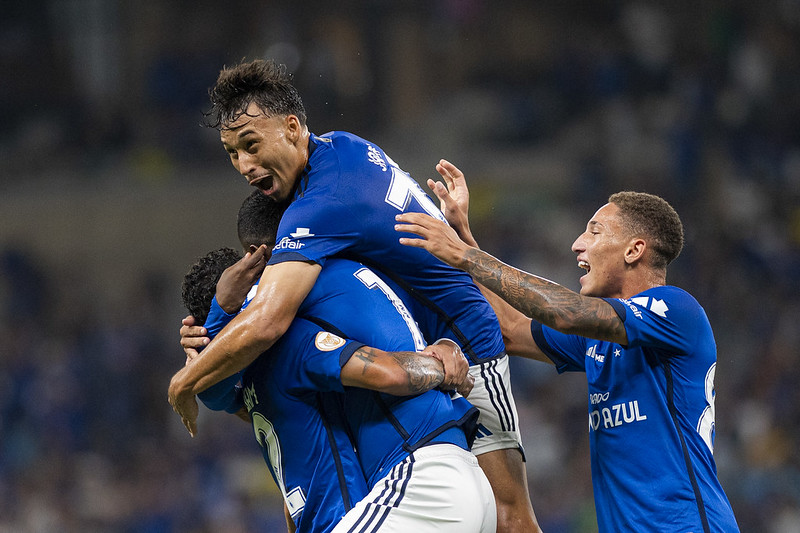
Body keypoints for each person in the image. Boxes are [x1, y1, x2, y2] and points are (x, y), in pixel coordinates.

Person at [169, 59, 540, 531]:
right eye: (231, 153)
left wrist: (185, 380)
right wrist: (216, 326)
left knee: (511, 519)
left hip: (464, 345)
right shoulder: (342, 148)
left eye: (251, 145)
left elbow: (267, 319)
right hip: (427, 346)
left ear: (291, 127)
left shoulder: (321, 205)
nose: (244, 164)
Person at [394, 160, 740, 532]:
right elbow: (508, 330)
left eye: (594, 232)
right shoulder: (597, 341)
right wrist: (462, 235)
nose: (578, 244)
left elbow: (564, 313)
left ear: (634, 250)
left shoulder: (677, 310)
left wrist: (465, 256)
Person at [179, 191, 496, 532]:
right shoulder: (354, 276)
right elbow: (213, 392)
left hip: (421, 480)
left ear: (259, 259)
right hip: (450, 480)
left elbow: (388, 373)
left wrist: (441, 366)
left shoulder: (290, 331)